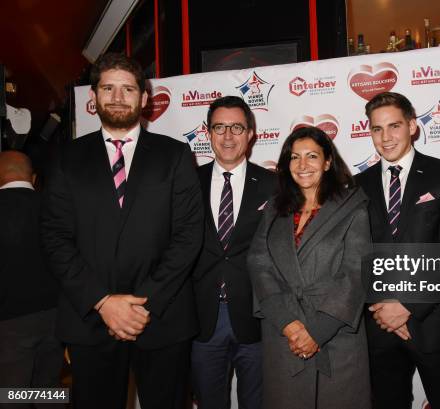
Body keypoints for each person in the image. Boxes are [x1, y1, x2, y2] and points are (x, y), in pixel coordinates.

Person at [41, 53, 204, 409]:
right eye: (108, 88)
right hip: (90, 320)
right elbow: (55, 237)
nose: (117, 97)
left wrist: (142, 305)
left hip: (162, 317)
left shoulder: (175, 155)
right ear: (94, 97)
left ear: (144, 99)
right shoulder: (66, 158)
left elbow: (189, 235)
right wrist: (103, 302)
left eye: (128, 89)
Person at [355, 91, 440, 409]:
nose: (386, 137)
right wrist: (383, 307)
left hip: (434, 324)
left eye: (394, 126)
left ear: (413, 126)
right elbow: (353, 255)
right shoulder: (356, 185)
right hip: (379, 328)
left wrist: (407, 305)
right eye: (377, 129)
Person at [247, 126, 371, 409]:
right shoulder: (275, 209)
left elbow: (355, 273)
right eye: (294, 157)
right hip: (284, 334)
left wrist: (317, 331)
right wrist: (289, 324)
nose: (302, 165)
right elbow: (258, 261)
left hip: (335, 336)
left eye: (312, 156)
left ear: (328, 162)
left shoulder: (353, 207)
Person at [191, 96, 276, 409]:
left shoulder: (273, 185)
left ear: (251, 133)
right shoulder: (187, 183)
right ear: (207, 132)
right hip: (202, 319)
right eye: (220, 127)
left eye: (237, 127)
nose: (227, 136)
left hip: (257, 317)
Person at [0, 151, 63, 405]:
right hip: (57, 317)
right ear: (33, 177)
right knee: (49, 388)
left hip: (9, 323)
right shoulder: (57, 206)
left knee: (11, 395)